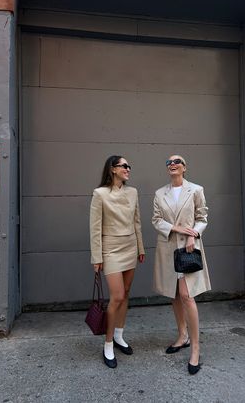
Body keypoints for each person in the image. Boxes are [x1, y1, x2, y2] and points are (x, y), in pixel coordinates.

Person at [152, 155, 211, 375]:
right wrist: (177, 229)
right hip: (168, 248)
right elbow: (156, 220)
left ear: (184, 167)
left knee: (187, 296)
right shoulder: (160, 193)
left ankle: (195, 348)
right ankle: (182, 336)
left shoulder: (195, 189)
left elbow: (202, 217)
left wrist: (193, 235)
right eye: (168, 162)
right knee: (174, 295)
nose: (172, 164)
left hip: (189, 248)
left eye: (177, 161)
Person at [90, 155, 145, 369]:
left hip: (130, 246)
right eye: (124, 166)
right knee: (117, 296)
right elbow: (95, 228)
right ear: (113, 169)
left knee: (127, 293)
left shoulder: (133, 192)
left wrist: (140, 247)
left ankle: (120, 335)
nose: (128, 169)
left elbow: (137, 222)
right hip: (110, 249)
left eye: (129, 166)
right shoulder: (100, 194)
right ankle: (108, 342)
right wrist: (97, 257)